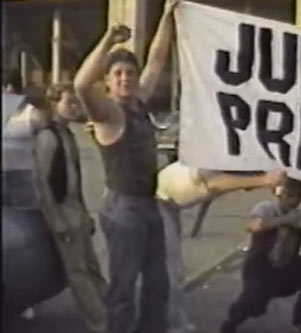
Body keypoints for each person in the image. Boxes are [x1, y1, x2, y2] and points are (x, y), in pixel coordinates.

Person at [73, 1, 180, 331]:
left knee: (157, 286)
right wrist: (108, 39)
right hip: (123, 210)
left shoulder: (138, 102)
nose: (125, 78)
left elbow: (158, 58)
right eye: (117, 74)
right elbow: (79, 85)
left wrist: (166, 15)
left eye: (129, 73)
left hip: (149, 205)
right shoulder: (108, 114)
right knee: (123, 288)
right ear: (107, 81)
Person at [155, 161, 285, 332]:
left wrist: (269, 179)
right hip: (157, 203)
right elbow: (214, 182)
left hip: (167, 204)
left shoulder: (221, 160)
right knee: (170, 270)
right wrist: (263, 180)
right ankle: (173, 326)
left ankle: (170, 321)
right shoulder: (207, 160)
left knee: (170, 269)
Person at [33, 83, 107, 332]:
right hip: (62, 210)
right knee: (78, 273)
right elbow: (42, 182)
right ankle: (99, 323)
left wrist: (85, 213)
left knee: (92, 267)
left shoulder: (68, 134)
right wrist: (56, 220)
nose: (74, 107)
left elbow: (75, 176)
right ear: (55, 104)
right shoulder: (48, 136)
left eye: (76, 103)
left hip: (76, 208)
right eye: (69, 103)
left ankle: (112, 311)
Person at [221, 178, 301, 333]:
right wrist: (285, 220)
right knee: (253, 305)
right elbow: (254, 226)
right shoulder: (266, 208)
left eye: (298, 197)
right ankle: (231, 322)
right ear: (281, 193)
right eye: (290, 195)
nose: (293, 201)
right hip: (260, 270)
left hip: (287, 268)